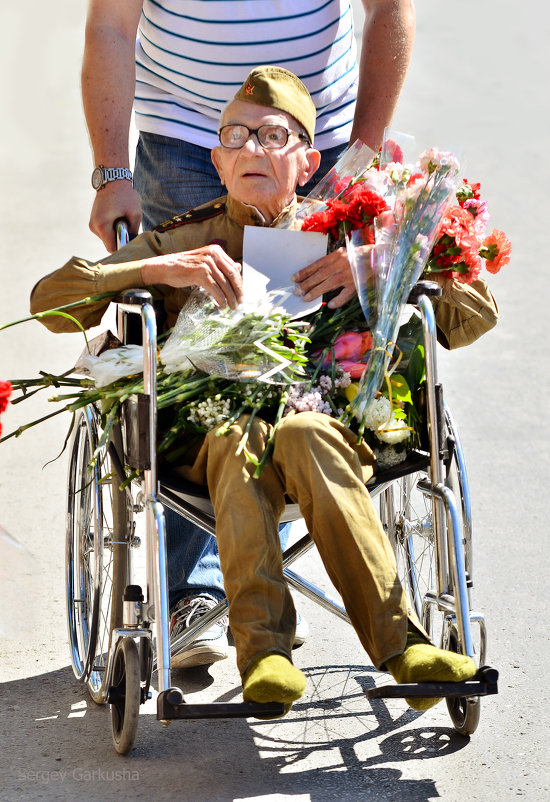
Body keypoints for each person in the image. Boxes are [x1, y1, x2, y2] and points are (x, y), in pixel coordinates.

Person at [32, 67, 497, 711]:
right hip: (214, 432)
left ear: (306, 163)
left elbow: (474, 314)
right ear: (219, 164)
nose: (253, 149)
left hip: (327, 429)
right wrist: (152, 266)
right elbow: (49, 304)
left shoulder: (346, 231)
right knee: (239, 432)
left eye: (274, 136)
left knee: (303, 432)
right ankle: (265, 651)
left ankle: (403, 644)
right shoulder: (187, 239)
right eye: (236, 137)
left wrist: (374, 264)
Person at [80, 1, 416, 665]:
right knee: (197, 353)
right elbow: (110, 26)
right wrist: (112, 174)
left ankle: (362, 596)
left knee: (311, 332)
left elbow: (388, 8)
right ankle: (199, 594)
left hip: (319, 129)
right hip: (184, 134)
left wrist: (368, 152)